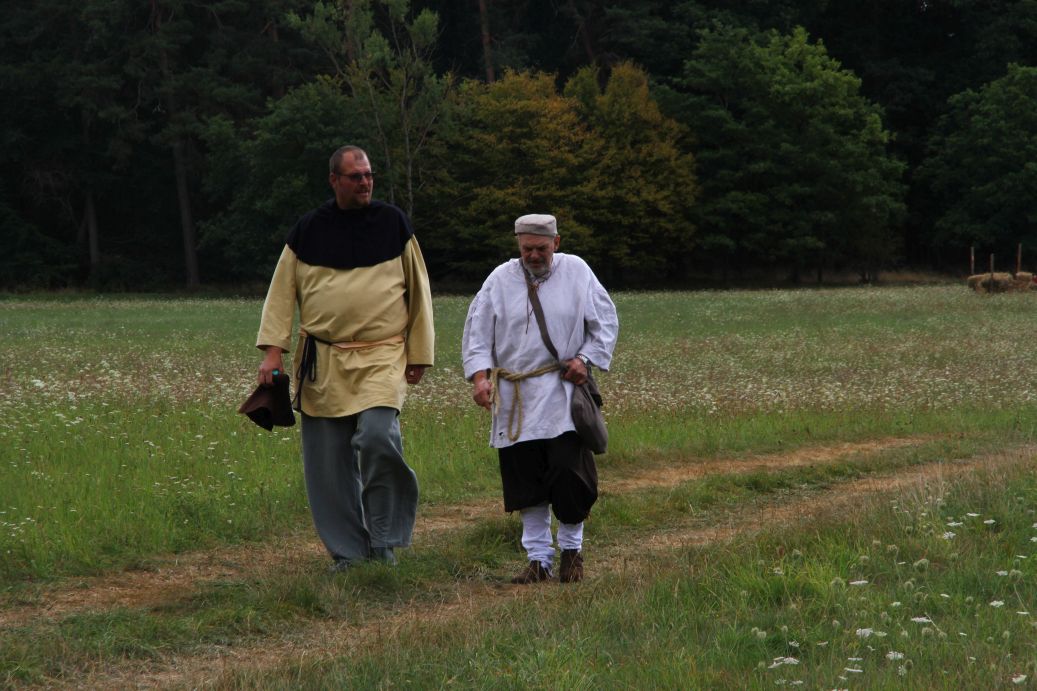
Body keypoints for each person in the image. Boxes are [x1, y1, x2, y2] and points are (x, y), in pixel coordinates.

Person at [255, 145, 435, 572]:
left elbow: (419, 290)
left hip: (382, 355)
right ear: (334, 180)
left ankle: (385, 540)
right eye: (356, 176)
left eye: (369, 175)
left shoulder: (393, 224)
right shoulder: (307, 231)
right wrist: (273, 354)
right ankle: (350, 554)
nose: (365, 182)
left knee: (378, 436)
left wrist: (420, 353)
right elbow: (281, 295)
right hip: (323, 361)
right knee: (328, 465)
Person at [461, 214, 618, 584]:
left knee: (568, 472)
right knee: (525, 479)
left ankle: (572, 552)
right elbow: (477, 332)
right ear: (518, 244)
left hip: (563, 392)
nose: (533, 255)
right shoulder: (499, 279)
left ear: (556, 243)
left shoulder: (577, 271)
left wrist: (585, 360)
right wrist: (480, 378)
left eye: (541, 249)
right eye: (527, 249)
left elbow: (605, 322)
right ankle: (538, 559)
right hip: (515, 397)